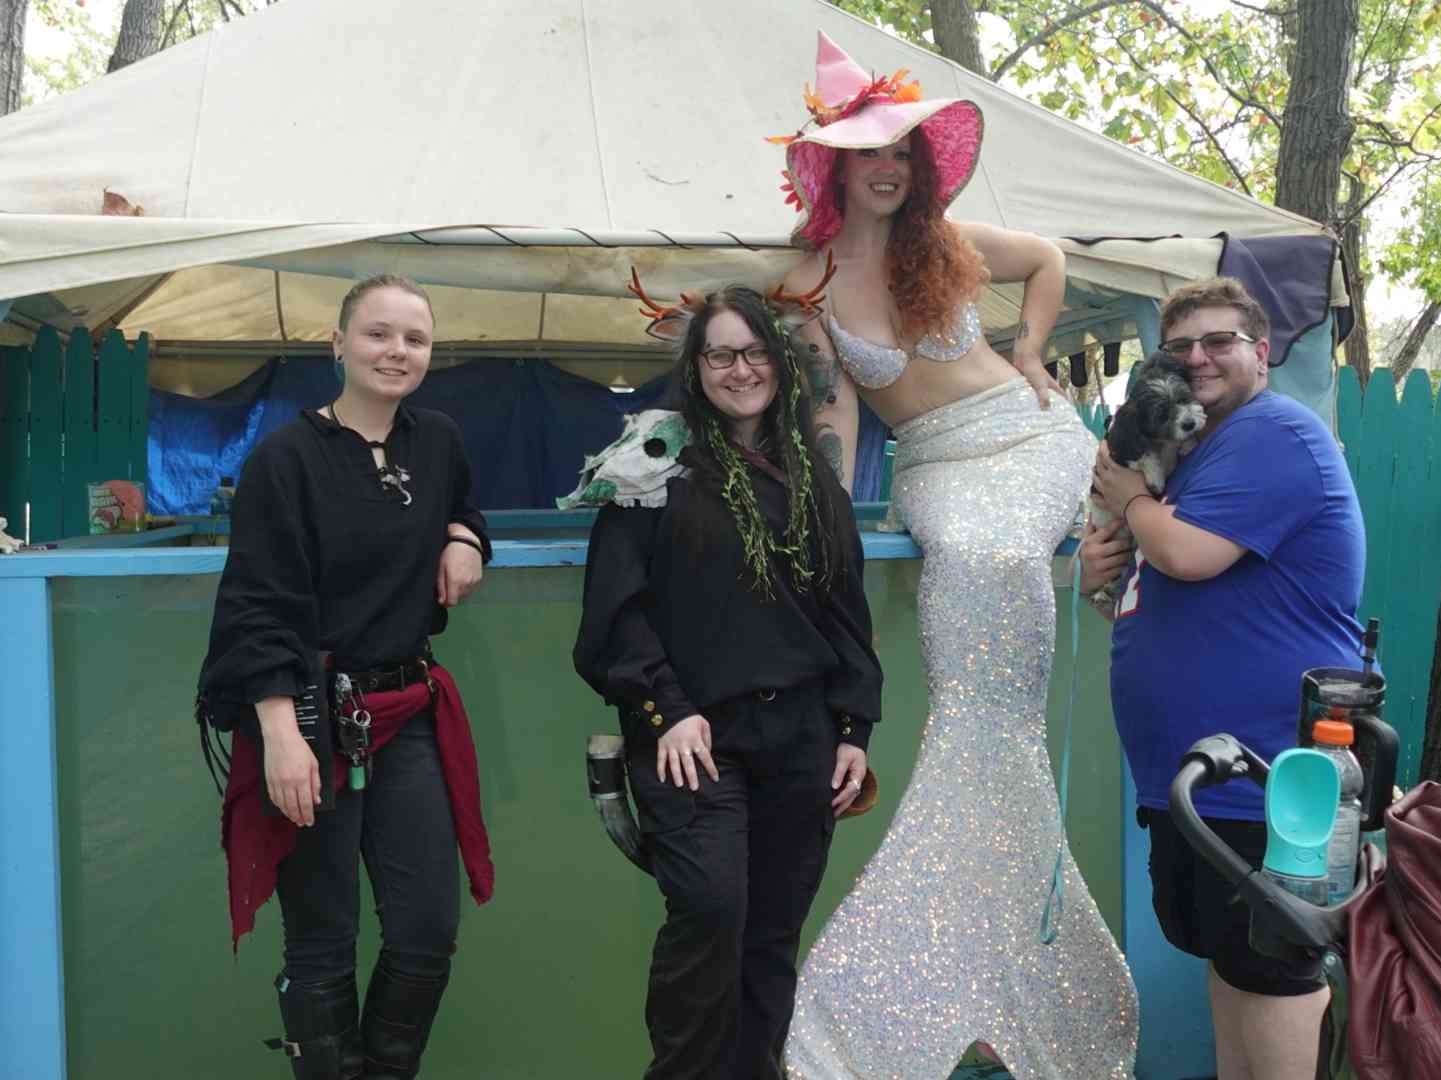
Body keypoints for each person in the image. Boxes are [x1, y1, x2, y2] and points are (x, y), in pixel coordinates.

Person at [771, 32, 1138, 1079]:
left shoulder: (947, 241)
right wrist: (828, 519)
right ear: (834, 165)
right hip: (931, 463)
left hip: (1027, 437)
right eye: (868, 152)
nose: (888, 167)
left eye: (902, 151)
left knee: (995, 555)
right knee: (967, 559)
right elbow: (835, 415)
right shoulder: (804, 280)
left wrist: (1030, 348)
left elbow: (1049, 259)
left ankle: (996, 820)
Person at [572, 284, 882, 1080]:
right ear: (696, 367)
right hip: (694, 737)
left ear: (779, 361)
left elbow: (845, 611)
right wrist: (666, 710)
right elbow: (617, 610)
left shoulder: (812, 474)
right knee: (711, 911)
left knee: (771, 935)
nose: (740, 370)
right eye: (720, 355)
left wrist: (853, 727)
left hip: (802, 736)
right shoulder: (653, 462)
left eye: (754, 352)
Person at [196, 274, 495, 1080]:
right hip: (308, 717)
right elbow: (257, 605)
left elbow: (465, 504)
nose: (397, 351)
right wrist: (280, 734)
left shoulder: (438, 441)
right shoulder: (284, 459)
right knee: (323, 939)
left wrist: (465, 538)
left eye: (415, 339)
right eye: (378, 334)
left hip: (407, 713)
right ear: (338, 344)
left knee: (426, 933)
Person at [1083, 277, 1368, 1080]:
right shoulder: (1194, 456)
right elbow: (1160, 592)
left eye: (1219, 341)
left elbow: (1187, 554)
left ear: (1262, 353)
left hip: (1271, 773)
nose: (1198, 359)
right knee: (1232, 958)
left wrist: (1130, 503)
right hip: (1201, 776)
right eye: (1180, 348)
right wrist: (1102, 580)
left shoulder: (1273, 433)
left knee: (1274, 968)